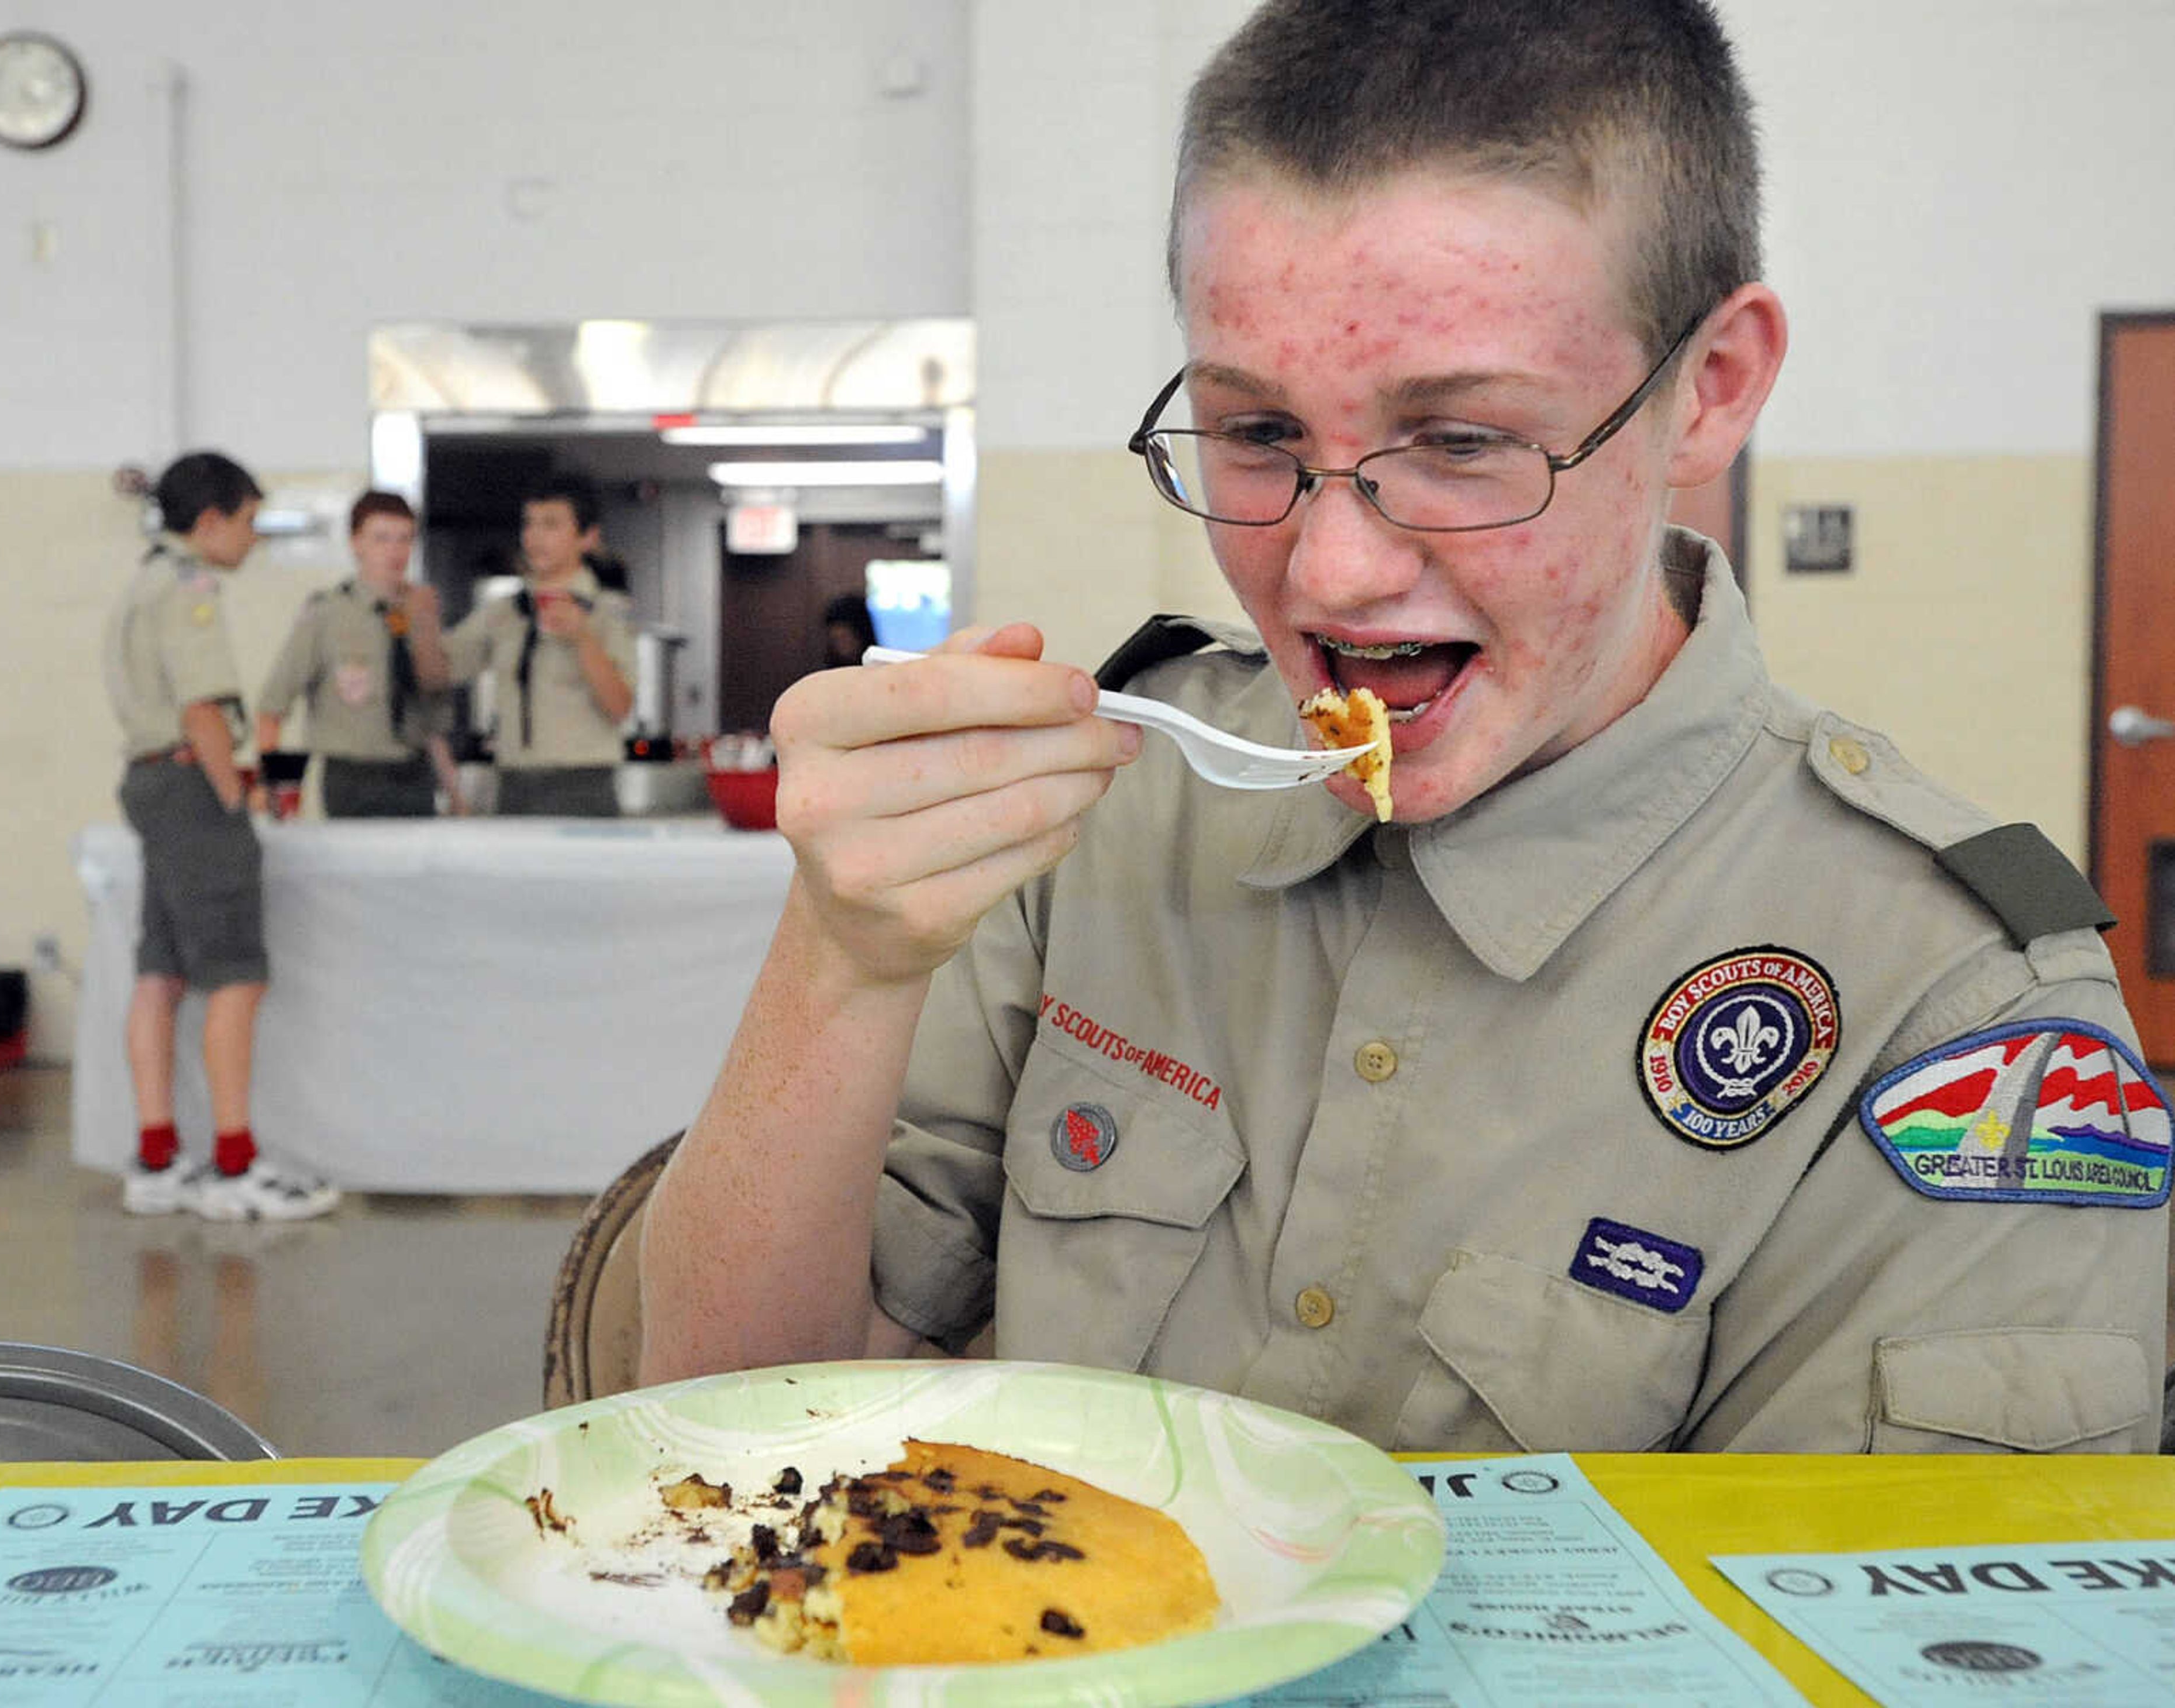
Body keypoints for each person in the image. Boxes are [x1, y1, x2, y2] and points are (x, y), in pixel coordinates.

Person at [636, 0, 2170, 1452]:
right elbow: (724, 1453)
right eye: (1255, 434)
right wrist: (837, 958)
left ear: (1708, 388)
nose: (1330, 572)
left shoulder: (1956, 1009)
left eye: (1460, 440)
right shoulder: (1111, 807)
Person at [103, 451, 341, 1221]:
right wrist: (235, 794)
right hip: (190, 788)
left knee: (161, 973)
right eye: (245, 522)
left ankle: (157, 1157)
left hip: (150, 780)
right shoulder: (190, 587)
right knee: (236, 974)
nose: (251, 539)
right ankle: (235, 1167)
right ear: (209, 522)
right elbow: (204, 709)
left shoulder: (143, 582)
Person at [410, 472, 636, 817]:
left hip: (584, 785)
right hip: (515, 785)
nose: (535, 538)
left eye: (551, 525)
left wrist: (583, 640)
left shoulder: (607, 614)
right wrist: (424, 623)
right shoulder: (504, 613)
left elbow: (620, 707)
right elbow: (437, 676)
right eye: (529, 524)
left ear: (587, 537)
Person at [253, 491, 462, 818]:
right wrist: (274, 789)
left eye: (405, 539)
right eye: (382, 539)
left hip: (415, 775)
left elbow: (432, 717)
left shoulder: (422, 613)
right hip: (353, 777)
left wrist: (454, 791)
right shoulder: (327, 614)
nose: (395, 551)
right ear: (356, 543)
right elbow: (273, 704)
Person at [823, 591, 878, 670]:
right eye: (835, 639)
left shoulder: (880, 668)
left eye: (844, 638)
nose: (840, 645)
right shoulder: (830, 675)